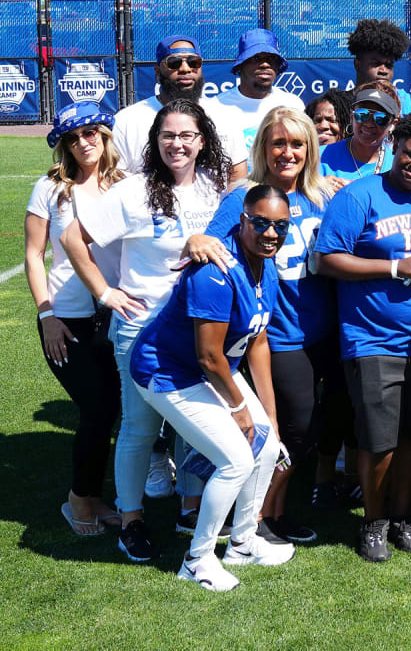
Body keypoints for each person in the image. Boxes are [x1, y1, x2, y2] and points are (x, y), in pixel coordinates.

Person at [62, 98, 232, 562]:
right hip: (142, 329)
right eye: (167, 135)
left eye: (186, 135)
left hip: (199, 328)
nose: (177, 144)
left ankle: (190, 508)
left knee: (195, 428)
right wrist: (105, 293)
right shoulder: (133, 190)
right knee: (139, 427)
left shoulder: (211, 187)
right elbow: (72, 238)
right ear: (155, 141)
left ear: (202, 141)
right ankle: (131, 520)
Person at [129, 185, 295, 591]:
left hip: (212, 368)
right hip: (168, 371)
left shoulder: (265, 263)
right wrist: (240, 411)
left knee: (268, 444)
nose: (271, 233)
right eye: (261, 223)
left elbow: (257, 340)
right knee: (236, 459)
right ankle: (197, 559)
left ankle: (241, 542)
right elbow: (208, 356)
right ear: (242, 221)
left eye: (280, 226)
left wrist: (268, 418)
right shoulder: (215, 270)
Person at [185, 107, 337, 544]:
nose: (287, 152)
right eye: (278, 143)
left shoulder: (320, 194)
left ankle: (276, 512)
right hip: (278, 334)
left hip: (321, 330)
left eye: (297, 144)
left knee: (308, 431)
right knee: (292, 429)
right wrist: (195, 239)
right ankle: (260, 519)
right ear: (262, 148)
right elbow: (211, 247)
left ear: (310, 149)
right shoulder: (243, 197)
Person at [314, 112, 411, 563]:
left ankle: (402, 515)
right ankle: (372, 522)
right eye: (410, 154)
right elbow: (327, 259)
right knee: (379, 440)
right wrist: (393, 267)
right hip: (371, 337)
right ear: (395, 146)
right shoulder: (359, 196)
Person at [24, 102, 124, 536]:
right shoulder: (49, 188)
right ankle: (78, 501)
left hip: (117, 315)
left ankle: (96, 497)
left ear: (104, 135)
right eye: (73, 137)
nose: (84, 142)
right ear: (64, 144)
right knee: (97, 409)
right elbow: (32, 253)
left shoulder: (127, 184)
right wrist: (46, 315)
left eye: (91, 133)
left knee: (115, 411)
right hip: (66, 318)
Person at [112, 35, 248, 177]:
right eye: (174, 62)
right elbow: (115, 178)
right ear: (158, 72)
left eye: (193, 62)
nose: (185, 69)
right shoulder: (127, 121)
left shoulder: (225, 116)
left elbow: (237, 179)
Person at [203, 29, 305, 167]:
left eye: (271, 59)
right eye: (256, 58)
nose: (265, 64)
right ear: (240, 66)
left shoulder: (293, 104)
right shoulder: (214, 107)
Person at [318, 81, 400, 186]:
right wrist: (317, 186)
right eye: (362, 114)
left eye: (380, 118)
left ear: (393, 124)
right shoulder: (319, 156)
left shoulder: (396, 164)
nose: (369, 123)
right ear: (352, 117)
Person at [346, 18, 411, 116]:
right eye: (376, 64)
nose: (383, 71)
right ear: (357, 64)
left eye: (389, 65)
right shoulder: (340, 103)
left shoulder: (403, 100)